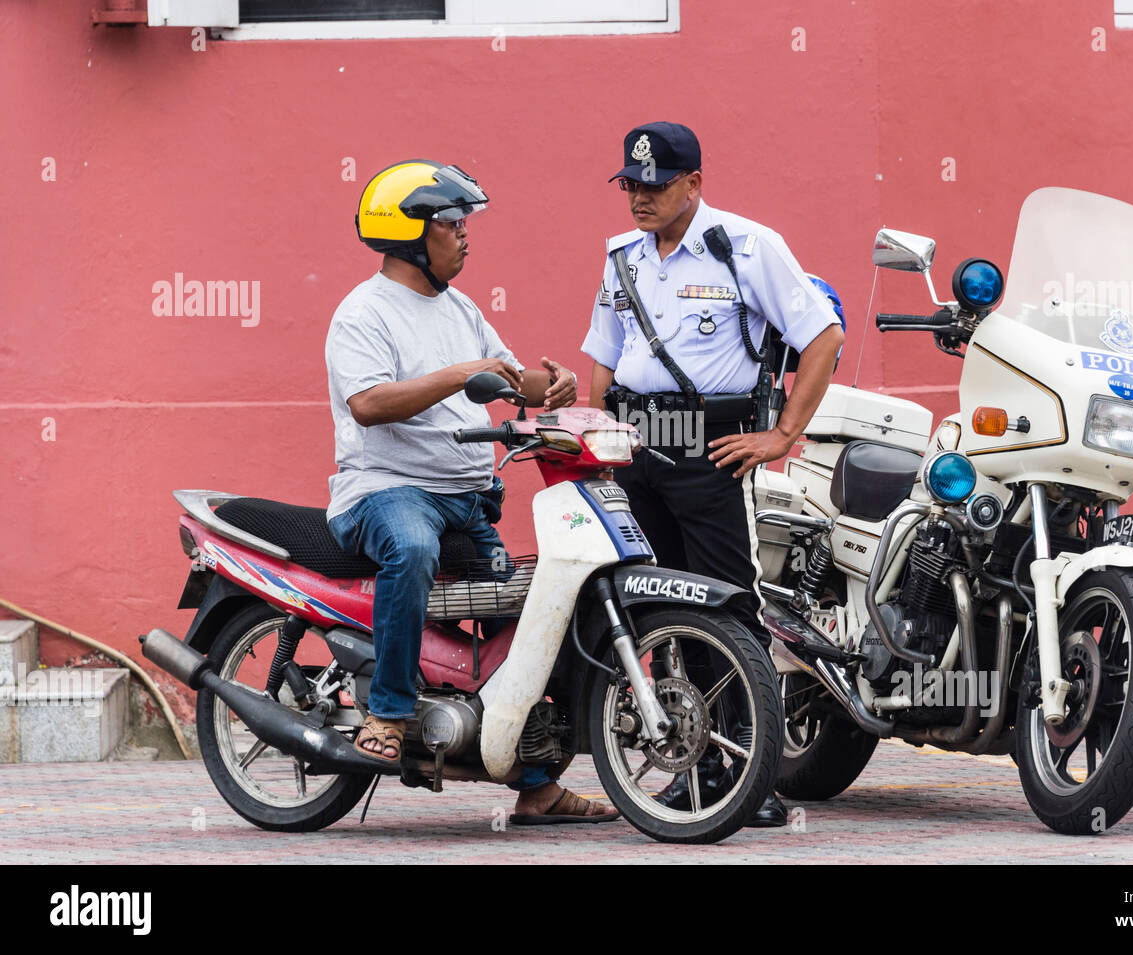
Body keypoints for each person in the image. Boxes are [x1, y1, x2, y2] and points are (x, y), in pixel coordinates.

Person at [326, 159, 617, 825]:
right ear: (409, 235)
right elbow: (368, 403)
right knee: (410, 549)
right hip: (389, 491)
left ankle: (537, 779)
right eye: (451, 223)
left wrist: (556, 385)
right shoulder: (362, 313)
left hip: (468, 496)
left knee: (533, 608)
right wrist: (461, 375)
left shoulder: (461, 309)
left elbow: (510, 381)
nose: (465, 235)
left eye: (465, 223)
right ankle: (391, 712)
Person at [581, 123, 845, 827]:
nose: (639, 196)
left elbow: (823, 335)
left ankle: (752, 775)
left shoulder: (747, 247)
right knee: (657, 609)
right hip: (636, 449)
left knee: (725, 607)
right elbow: (606, 353)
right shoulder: (623, 258)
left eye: (655, 184)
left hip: (710, 449)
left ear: (694, 183)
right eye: (631, 184)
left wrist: (784, 433)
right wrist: (600, 431)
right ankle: (695, 763)